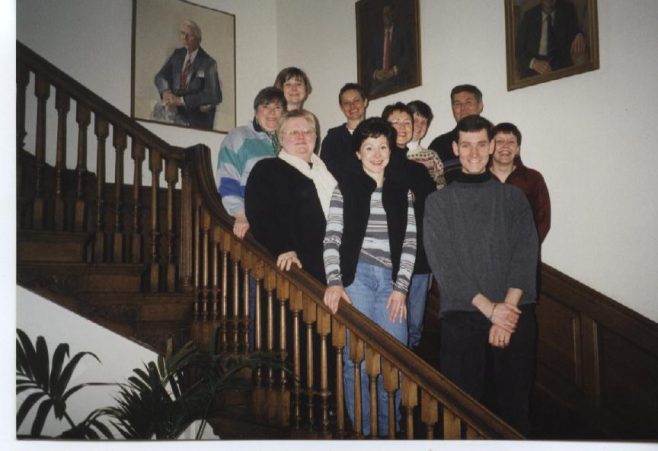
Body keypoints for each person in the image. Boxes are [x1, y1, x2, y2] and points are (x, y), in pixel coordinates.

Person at [424, 115, 539, 434]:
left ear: (491, 147)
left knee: (514, 409)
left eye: (480, 144)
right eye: (466, 145)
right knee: (461, 411)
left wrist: (506, 311)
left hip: (514, 312)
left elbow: (526, 254)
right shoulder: (437, 202)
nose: (473, 152)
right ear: (455, 148)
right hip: (463, 315)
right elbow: (444, 264)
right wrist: (491, 310)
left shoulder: (513, 198)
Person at [323, 117, 416, 437]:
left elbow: (409, 243)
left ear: (391, 151)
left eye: (383, 147)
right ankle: (363, 433)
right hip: (356, 279)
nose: (377, 153)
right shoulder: (345, 188)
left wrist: (401, 288)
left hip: (391, 282)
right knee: (357, 360)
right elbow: (332, 238)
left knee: (394, 359)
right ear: (358, 153)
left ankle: (390, 434)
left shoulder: (402, 191)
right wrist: (335, 281)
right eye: (369, 147)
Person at [245, 110, 336, 283]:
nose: (301, 137)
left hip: (333, 269)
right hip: (294, 269)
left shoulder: (329, 175)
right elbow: (260, 215)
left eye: (307, 132)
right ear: (281, 138)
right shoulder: (267, 169)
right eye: (294, 132)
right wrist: (283, 248)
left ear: (315, 137)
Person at [382, 102, 436, 351]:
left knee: (414, 327)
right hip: (387, 258)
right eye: (395, 121)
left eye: (407, 122)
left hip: (420, 258)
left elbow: (430, 211)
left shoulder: (419, 168)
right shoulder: (376, 162)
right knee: (389, 327)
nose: (402, 127)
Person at [216, 87, 286, 239]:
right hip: (253, 220)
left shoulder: (287, 142)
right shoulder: (238, 136)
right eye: (266, 106)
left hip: (283, 222)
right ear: (256, 111)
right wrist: (240, 215)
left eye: (278, 107)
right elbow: (227, 179)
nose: (272, 113)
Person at [154, 20, 222, 130]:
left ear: (198, 39)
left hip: (195, 117)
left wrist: (181, 101)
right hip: (174, 112)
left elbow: (214, 95)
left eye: (188, 35)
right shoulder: (177, 54)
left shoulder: (208, 63)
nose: (184, 38)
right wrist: (165, 91)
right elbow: (160, 76)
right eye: (182, 33)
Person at [490, 122, 551, 243]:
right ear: (491, 147)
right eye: (500, 142)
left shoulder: (533, 179)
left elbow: (543, 221)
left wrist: (527, 250)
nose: (505, 147)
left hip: (525, 255)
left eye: (511, 142)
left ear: (517, 149)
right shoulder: (480, 179)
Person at [428, 84, 484, 185]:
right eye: (457, 104)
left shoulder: (495, 139)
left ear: (480, 106)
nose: (463, 108)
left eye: (468, 102)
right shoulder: (439, 145)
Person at [516, 0, 586, 78]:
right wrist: (534, 63)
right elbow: (519, 48)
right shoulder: (529, 16)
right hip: (535, 67)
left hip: (560, 64)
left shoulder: (567, 10)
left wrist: (579, 34)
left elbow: (575, 28)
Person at [320, 83, 369, 183]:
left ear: (365, 102)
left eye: (356, 100)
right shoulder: (332, 139)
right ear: (341, 107)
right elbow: (327, 172)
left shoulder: (379, 133)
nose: (352, 106)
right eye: (346, 103)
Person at [367, 2, 409, 97]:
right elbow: (369, 61)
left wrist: (393, 71)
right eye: (385, 14)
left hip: (397, 78)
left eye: (389, 13)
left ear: (393, 15)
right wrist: (376, 73)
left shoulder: (402, 33)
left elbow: (408, 56)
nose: (387, 16)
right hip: (379, 81)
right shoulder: (376, 37)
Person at [407, 100, 446, 188]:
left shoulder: (431, 156)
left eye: (424, 122)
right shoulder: (391, 152)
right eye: (415, 120)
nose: (419, 125)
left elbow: (441, 187)